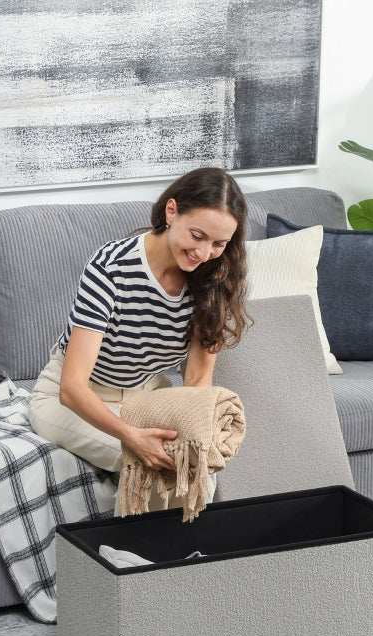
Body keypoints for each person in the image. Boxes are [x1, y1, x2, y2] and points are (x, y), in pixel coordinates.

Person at [28, 167, 249, 513]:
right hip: (71, 396)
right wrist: (132, 437)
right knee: (149, 461)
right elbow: (72, 388)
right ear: (171, 211)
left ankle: (186, 561)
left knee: (194, 459)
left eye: (218, 244)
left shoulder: (213, 278)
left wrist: (195, 437)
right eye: (197, 236)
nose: (204, 253)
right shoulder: (110, 269)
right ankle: (127, 562)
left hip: (146, 394)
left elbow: (196, 381)